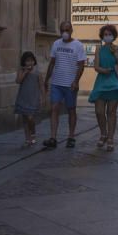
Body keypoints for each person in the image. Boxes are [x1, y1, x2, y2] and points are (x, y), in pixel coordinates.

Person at [42, 20, 86, 149]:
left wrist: (76, 81)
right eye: (62, 31)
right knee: (54, 108)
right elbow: (52, 63)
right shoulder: (56, 44)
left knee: (71, 110)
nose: (64, 33)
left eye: (67, 30)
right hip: (56, 82)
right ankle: (53, 137)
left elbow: (81, 65)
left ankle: (71, 137)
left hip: (70, 84)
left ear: (71, 30)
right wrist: (46, 80)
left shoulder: (78, 45)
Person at [89, 24, 118, 151]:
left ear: (114, 36)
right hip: (101, 81)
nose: (107, 37)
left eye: (110, 34)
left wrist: (117, 56)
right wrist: (103, 70)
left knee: (111, 112)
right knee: (99, 111)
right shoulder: (99, 49)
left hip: (114, 81)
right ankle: (103, 133)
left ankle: (110, 138)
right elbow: (96, 66)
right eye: (105, 35)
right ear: (102, 36)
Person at [14, 51, 41, 147]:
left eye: (31, 61)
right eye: (27, 61)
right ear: (24, 62)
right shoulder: (21, 71)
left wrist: (43, 97)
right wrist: (25, 72)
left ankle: (33, 134)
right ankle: (27, 138)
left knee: (30, 118)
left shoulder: (37, 73)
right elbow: (18, 81)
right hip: (23, 97)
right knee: (25, 119)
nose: (29, 63)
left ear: (34, 61)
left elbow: (41, 86)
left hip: (33, 98)